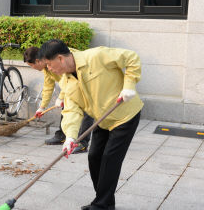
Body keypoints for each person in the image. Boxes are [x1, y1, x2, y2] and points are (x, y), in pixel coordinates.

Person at [39, 39, 143, 210]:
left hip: (124, 115)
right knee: (94, 156)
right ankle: (104, 201)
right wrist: (70, 137)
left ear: (60, 59)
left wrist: (129, 85)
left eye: (49, 65)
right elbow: (72, 110)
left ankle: (101, 205)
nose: (49, 70)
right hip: (102, 120)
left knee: (110, 158)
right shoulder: (66, 80)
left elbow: (132, 58)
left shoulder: (96, 56)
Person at [23, 47, 93, 153]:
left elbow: (68, 79)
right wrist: (42, 107)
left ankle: (82, 143)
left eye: (31, 65)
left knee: (87, 111)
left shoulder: (56, 61)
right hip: (71, 86)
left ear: (37, 61)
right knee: (66, 109)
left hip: (87, 81)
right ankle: (63, 135)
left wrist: (61, 97)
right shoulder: (47, 68)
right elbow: (48, 86)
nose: (32, 68)